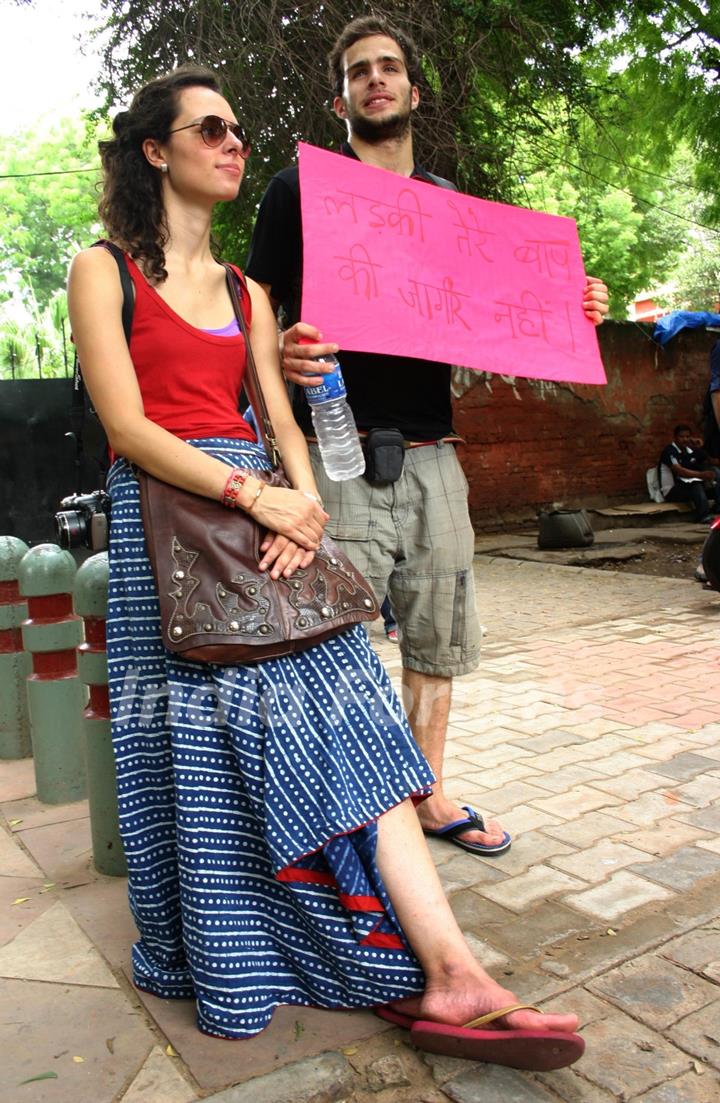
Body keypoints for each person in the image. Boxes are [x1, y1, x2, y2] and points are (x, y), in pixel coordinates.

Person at [66, 64, 583, 1065]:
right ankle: (248, 948)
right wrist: (251, 492)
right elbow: (125, 426)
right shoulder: (105, 270)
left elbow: (278, 414)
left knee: (358, 717)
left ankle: (451, 967)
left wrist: (299, 503)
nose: (231, 145)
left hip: (268, 522)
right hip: (170, 527)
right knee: (204, 756)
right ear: (154, 150)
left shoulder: (251, 293)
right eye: (208, 129)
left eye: (237, 132)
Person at [246, 14, 609, 859]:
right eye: (360, 71)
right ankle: (341, 815)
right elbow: (252, 308)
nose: (376, 79)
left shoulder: (450, 207)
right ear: (340, 97)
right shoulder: (299, 191)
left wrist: (575, 305)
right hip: (335, 449)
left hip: (435, 454)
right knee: (327, 638)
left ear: (412, 90)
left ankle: (427, 793)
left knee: (436, 634)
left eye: (390, 68)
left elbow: (513, 312)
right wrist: (285, 349)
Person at [660, 424, 720, 523]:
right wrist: (701, 475)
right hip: (672, 491)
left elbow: (713, 461)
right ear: (675, 438)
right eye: (682, 437)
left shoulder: (690, 450)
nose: (685, 440)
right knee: (695, 485)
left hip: (688, 486)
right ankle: (704, 516)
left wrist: (701, 447)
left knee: (716, 471)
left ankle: (718, 507)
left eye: (687, 437)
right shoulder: (669, 451)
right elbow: (680, 471)